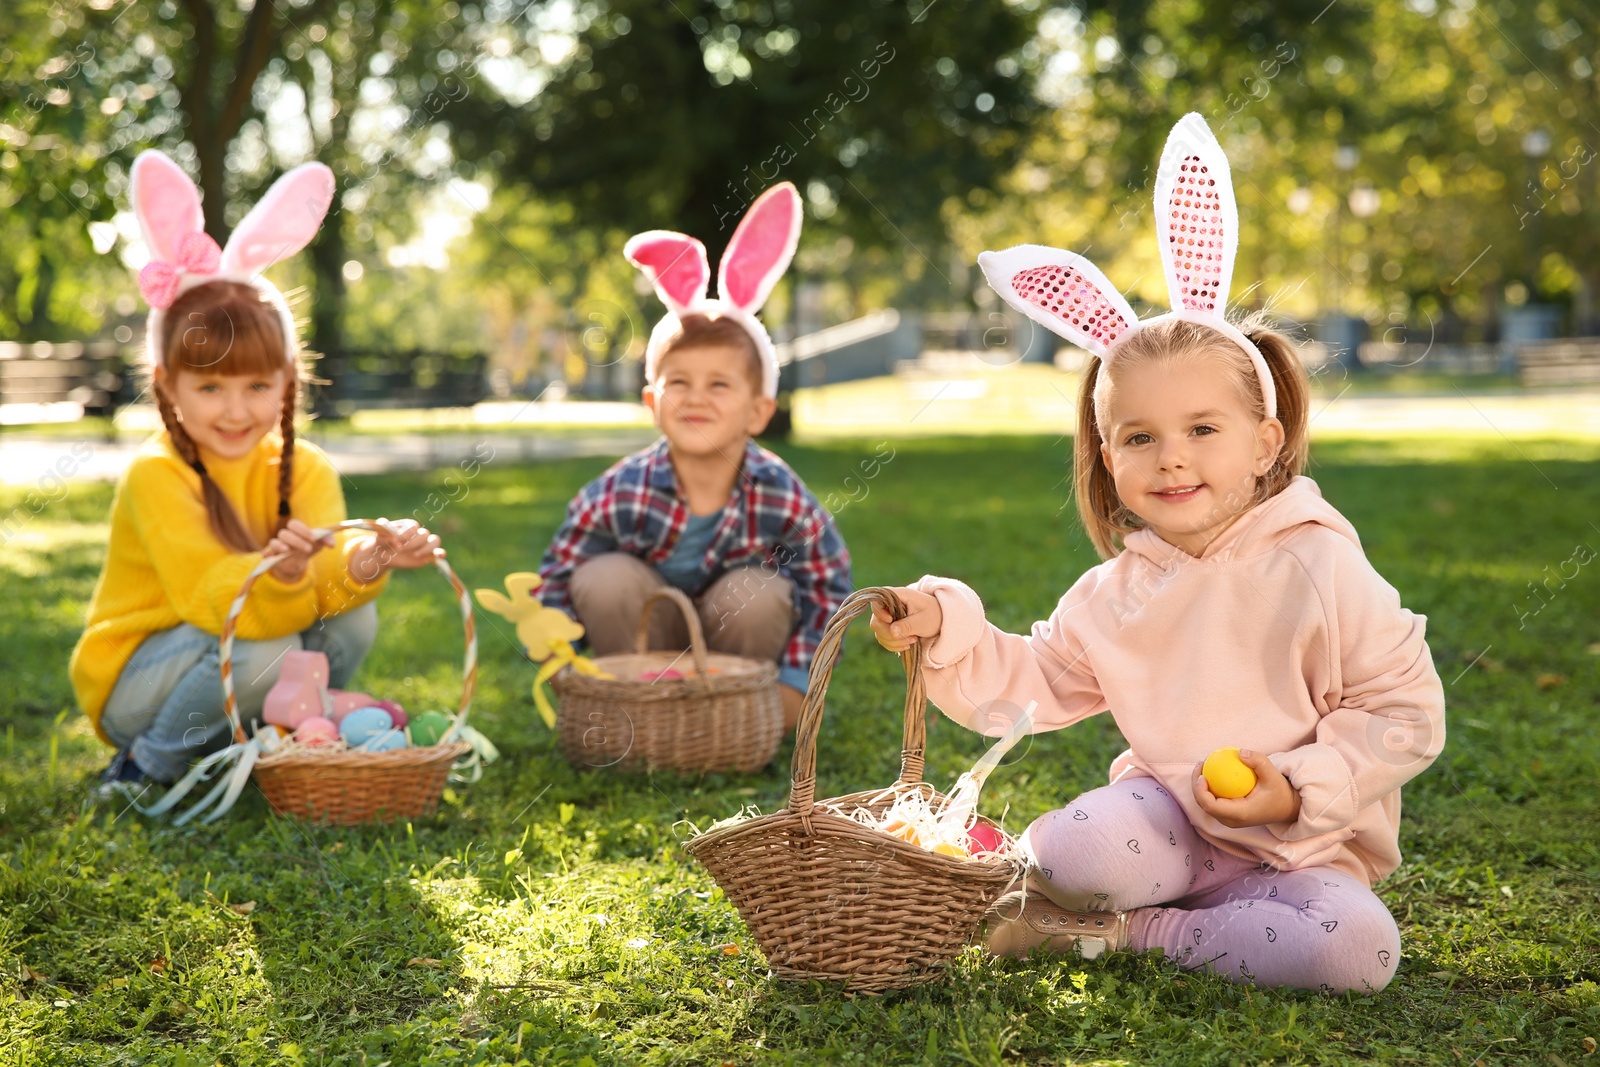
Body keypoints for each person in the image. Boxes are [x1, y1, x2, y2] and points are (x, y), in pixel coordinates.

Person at [869, 114, 1444, 994]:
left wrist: (1293, 787)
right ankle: (1094, 896)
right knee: (1070, 844)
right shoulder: (1115, 593)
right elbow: (1029, 681)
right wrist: (948, 621)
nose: (1171, 457)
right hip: (1170, 824)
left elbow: (1403, 709)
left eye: (1203, 429)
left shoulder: (1321, 566)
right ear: (1107, 456)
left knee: (1353, 951)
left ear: (1265, 440)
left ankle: (1128, 933)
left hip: (1303, 851)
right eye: (1139, 437)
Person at [72, 150, 440, 796]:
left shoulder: (304, 466)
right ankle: (146, 763)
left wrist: (365, 560)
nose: (237, 409)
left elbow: (329, 581)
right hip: (138, 678)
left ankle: (279, 731)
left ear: (286, 383)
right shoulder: (157, 472)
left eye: (257, 385)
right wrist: (286, 572)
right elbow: (212, 600)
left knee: (352, 621)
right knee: (263, 645)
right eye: (210, 386)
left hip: (237, 654)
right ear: (168, 384)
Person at [537, 183, 851, 732]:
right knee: (605, 577)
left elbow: (827, 585)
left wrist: (796, 683)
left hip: (734, 644)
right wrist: (560, 658)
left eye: (719, 384)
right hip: (642, 641)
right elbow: (559, 573)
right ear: (653, 403)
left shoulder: (777, 489)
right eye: (678, 382)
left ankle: (733, 721)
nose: (697, 397)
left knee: (757, 593)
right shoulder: (622, 488)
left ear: (758, 411)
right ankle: (632, 712)